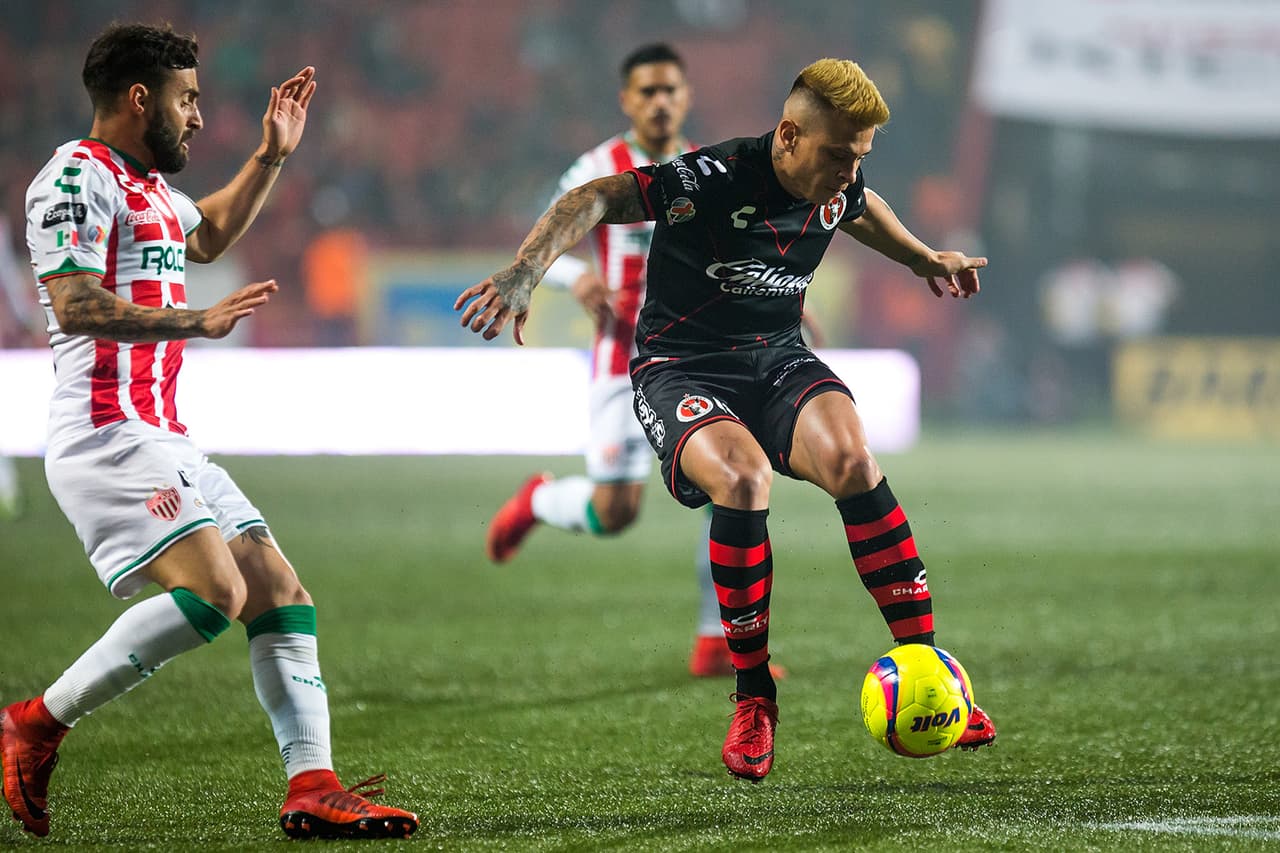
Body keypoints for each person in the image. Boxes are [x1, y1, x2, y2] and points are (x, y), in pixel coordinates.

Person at [456, 58, 997, 782]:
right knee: (742, 480)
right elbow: (594, 196)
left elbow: (862, 207)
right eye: (839, 154)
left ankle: (929, 671)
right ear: (789, 135)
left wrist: (923, 258)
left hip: (776, 358)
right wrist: (527, 270)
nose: (848, 171)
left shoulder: (838, 181)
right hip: (681, 366)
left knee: (854, 461)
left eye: (859, 156)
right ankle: (753, 697)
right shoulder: (714, 176)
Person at [3, 24, 416, 839]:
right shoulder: (75, 178)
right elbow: (75, 303)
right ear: (139, 98)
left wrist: (271, 155)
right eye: (186, 99)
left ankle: (313, 785)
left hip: (163, 435)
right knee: (217, 591)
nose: (197, 116)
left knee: (278, 591)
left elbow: (211, 232)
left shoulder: (150, 187)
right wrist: (192, 319)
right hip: (104, 431)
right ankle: (34, 722)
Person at [484, 42, 759, 677]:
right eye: (647, 91)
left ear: (687, 97)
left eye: (670, 90)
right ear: (627, 100)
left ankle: (716, 641)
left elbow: (737, 254)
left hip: (695, 354)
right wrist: (575, 276)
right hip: (622, 356)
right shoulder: (597, 167)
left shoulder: (709, 169)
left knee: (732, 485)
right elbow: (543, 239)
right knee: (616, 513)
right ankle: (539, 501)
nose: (660, 102)